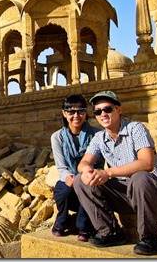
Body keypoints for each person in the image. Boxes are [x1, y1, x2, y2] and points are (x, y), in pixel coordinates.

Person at [73, 90, 157, 255]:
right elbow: (84, 162)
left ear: (118, 109)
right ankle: (110, 231)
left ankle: (149, 237)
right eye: (98, 111)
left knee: (140, 178)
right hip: (125, 194)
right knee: (80, 180)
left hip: (151, 193)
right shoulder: (99, 137)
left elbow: (147, 163)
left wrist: (108, 173)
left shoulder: (136, 128)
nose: (103, 114)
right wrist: (86, 170)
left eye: (108, 109)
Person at [50, 94, 102, 241]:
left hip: (90, 177)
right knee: (64, 189)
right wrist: (68, 176)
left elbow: (100, 163)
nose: (76, 116)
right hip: (70, 178)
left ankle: (83, 226)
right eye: (71, 111)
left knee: (87, 185)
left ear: (86, 113)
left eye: (81, 111)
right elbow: (61, 166)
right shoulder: (57, 137)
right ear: (64, 113)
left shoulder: (97, 134)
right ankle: (61, 222)